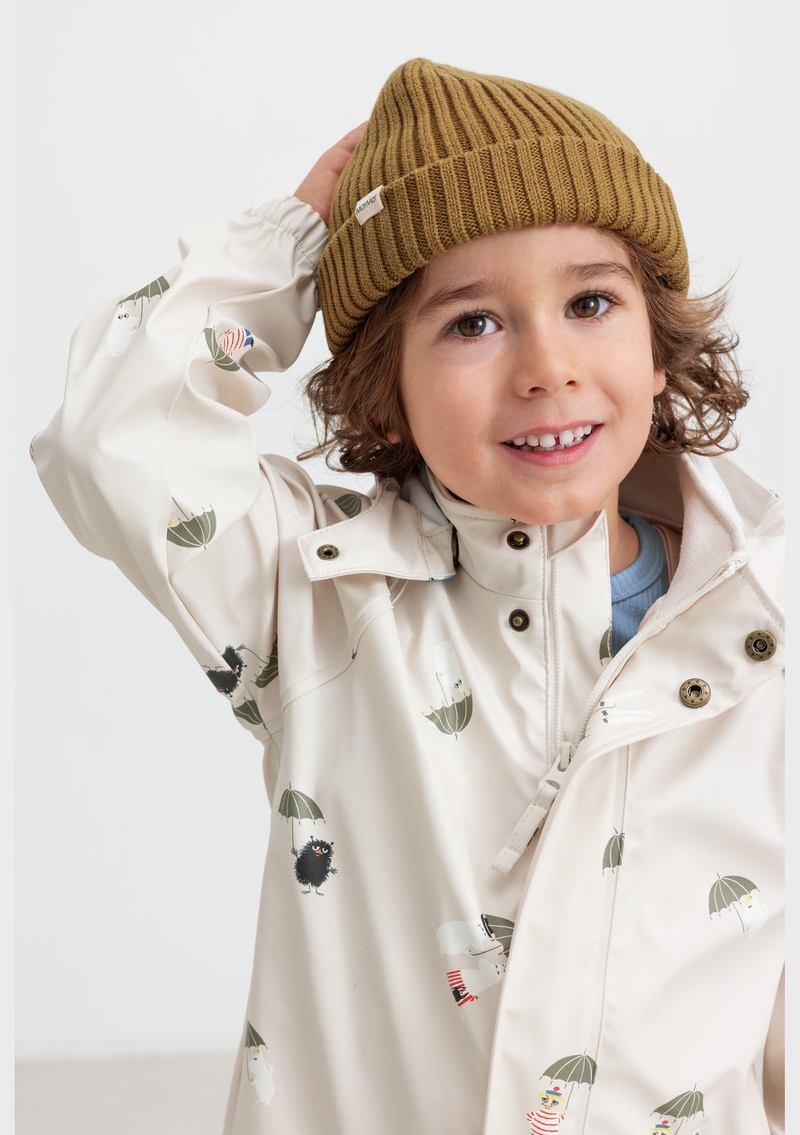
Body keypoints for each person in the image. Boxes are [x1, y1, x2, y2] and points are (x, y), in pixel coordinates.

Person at [32, 58, 784, 1133]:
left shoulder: (763, 630)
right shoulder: (320, 597)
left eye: (587, 302)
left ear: (657, 348)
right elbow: (111, 441)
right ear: (382, 396)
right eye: (471, 323)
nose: (546, 365)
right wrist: (288, 244)